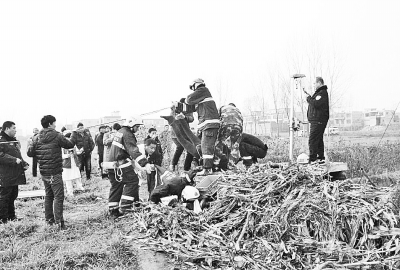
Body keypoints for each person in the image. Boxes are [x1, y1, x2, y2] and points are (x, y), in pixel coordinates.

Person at [27, 115, 76, 229]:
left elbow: (30, 153)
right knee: (58, 197)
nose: (55, 125)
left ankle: (49, 221)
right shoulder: (57, 135)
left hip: (44, 172)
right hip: (55, 172)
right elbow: (70, 144)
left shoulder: (36, 137)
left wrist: (30, 143)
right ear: (50, 124)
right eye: (54, 123)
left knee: (49, 195)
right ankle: (59, 223)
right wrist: (73, 134)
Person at [107, 116, 152, 218]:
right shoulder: (127, 134)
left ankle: (113, 211)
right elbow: (133, 150)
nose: (137, 129)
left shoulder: (120, 132)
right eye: (137, 127)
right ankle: (125, 206)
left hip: (112, 165)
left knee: (116, 186)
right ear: (132, 126)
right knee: (133, 181)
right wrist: (145, 163)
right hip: (120, 164)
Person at [184, 78, 220, 175]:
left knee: (206, 146)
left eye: (193, 87)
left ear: (197, 84)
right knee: (203, 146)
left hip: (209, 125)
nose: (193, 90)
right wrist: (178, 107)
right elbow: (189, 107)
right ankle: (207, 167)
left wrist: (184, 101)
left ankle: (207, 169)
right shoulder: (202, 96)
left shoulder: (203, 90)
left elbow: (189, 99)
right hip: (207, 125)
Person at [0, 121, 29, 224]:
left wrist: (23, 163)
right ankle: (3, 219)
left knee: (13, 195)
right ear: (7, 129)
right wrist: (13, 160)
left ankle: (11, 216)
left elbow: (18, 155)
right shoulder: (1, 140)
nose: (15, 130)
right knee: (5, 196)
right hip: (5, 174)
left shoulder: (13, 140)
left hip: (15, 173)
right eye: (13, 128)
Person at [306, 77, 329, 163]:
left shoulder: (322, 93)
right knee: (318, 139)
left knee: (313, 139)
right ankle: (320, 158)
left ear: (319, 83)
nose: (314, 85)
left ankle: (313, 159)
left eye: (315, 83)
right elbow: (315, 102)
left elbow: (316, 103)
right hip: (317, 120)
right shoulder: (319, 93)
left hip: (318, 120)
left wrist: (308, 98)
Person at [169, 99, 195, 173]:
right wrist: (173, 110)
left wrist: (185, 117)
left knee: (191, 149)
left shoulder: (189, 108)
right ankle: (173, 165)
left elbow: (191, 118)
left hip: (185, 133)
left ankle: (186, 168)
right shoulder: (175, 108)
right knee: (180, 147)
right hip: (176, 133)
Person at [61, 130, 84, 196]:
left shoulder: (73, 145)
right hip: (67, 164)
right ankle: (70, 192)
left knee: (77, 176)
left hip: (74, 163)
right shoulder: (62, 147)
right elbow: (61, 155)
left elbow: (77, 152)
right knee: (68, 179)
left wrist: (80, 151)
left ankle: (80, 188)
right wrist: (66, 156)